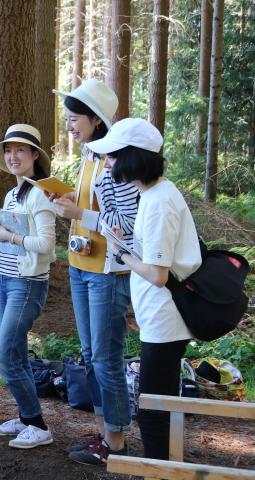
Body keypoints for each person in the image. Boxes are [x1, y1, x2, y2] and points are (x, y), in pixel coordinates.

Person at [89, 118, 201, 461]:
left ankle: (159, 471)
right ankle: (162, 469)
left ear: (134, 158)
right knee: (158, 405)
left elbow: (157, 274)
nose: (107, 165)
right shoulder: (153, 193)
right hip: (159, 319)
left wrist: (122, 252)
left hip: (166, 320)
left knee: (153, 410)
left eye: (112, 157)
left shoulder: (159, 201)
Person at [51, 79, 139, 464]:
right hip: (79, 265)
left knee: (106, 358)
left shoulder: (117, 158)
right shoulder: (88, 154)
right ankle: (104, 433)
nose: (69, 125)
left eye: (74, 119)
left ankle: (116, 445)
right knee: (91, 355)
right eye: (67, 118)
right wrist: (68, 199)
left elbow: (126, 222)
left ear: (95, 119)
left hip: (107, 270)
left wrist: (80, 213)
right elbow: (91, 205)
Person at [0, 125, 57, 449]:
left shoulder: (41, 191)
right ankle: (27, 419)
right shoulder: (14, 193)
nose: (13, 157)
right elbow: (14, 239)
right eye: (9, 151)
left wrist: (7, 235)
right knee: (17, 355)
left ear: (34, 156)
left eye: (20, 151)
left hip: (27, 285)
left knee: (3, 359)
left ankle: (39, 426)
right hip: (7, 280)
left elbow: (46, 245)